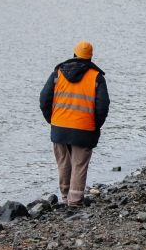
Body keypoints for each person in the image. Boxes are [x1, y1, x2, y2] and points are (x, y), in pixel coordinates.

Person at [39, 41, 110, 207]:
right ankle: (75, 201)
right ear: (90, 56)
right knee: (79, 165)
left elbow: (44, 99)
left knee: (63, 162)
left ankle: (65, 198)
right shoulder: (96, 77)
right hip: (84, 128)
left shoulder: (58, 73)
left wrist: (53, 120)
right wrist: (94, 125)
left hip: (60, 127)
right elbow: (102, 106)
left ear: (74, 53)